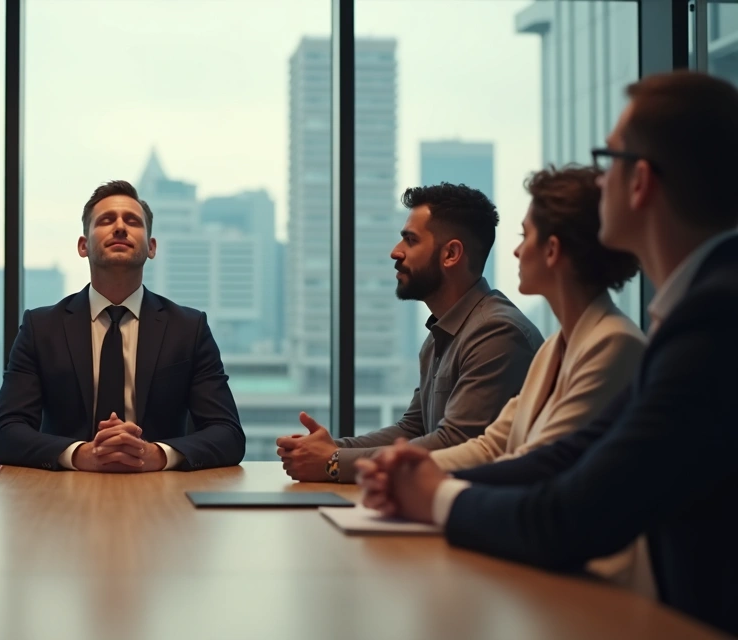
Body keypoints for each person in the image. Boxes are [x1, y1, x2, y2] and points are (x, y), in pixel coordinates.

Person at [356, 71, 738, 635]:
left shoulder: (710, 324)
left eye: (609, 161)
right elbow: (558, 456)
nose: (598, 179)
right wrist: (414, 475)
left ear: (641, 184)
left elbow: (568, 512)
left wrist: (433, 496)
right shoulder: (686, 316)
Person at [278, 183, 542, 483]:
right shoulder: (441, 333)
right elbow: (413, 429)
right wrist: (330, 448)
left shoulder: (497, 333)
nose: (395, 252)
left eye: (410, 240)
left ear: (451, 254)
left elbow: (454, 443)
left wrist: (334, 462)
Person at [0, 180, 245, 472]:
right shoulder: (42, 328)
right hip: (64, 495)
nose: (120, 227)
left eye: (132, 221)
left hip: (162, 496)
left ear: (151, 247)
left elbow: (228, 434)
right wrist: (79, 454)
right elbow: (5, 432)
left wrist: (157, 455)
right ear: (83, 246)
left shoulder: (188, 328)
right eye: (107, 220)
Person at [430, 165, 644, 471]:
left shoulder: (614, 343)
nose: (517, 251)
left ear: (552, 250)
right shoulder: (554, 347)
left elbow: (537, 464)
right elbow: (492, 446)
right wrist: (404, 469)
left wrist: (420, 481)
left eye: (525, 235)